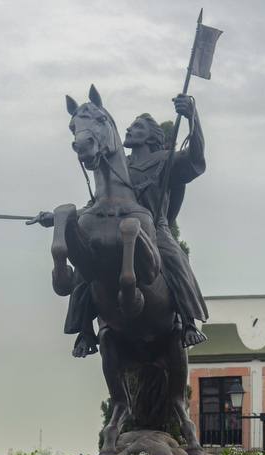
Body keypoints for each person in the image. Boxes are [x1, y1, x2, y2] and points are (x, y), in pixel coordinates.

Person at [35, 94, 209, 356]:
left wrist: (192, 117)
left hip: (154, 227)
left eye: (137, 127)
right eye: (129, 126)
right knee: (86, 266)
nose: (129, 129)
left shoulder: (165, 160)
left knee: (175, 258)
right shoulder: (118, 165)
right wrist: (53, 219)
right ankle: (84, 328)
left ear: (151, 136)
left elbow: (196, 162)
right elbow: (96, 206)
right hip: (113, 226)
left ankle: (188, 320)